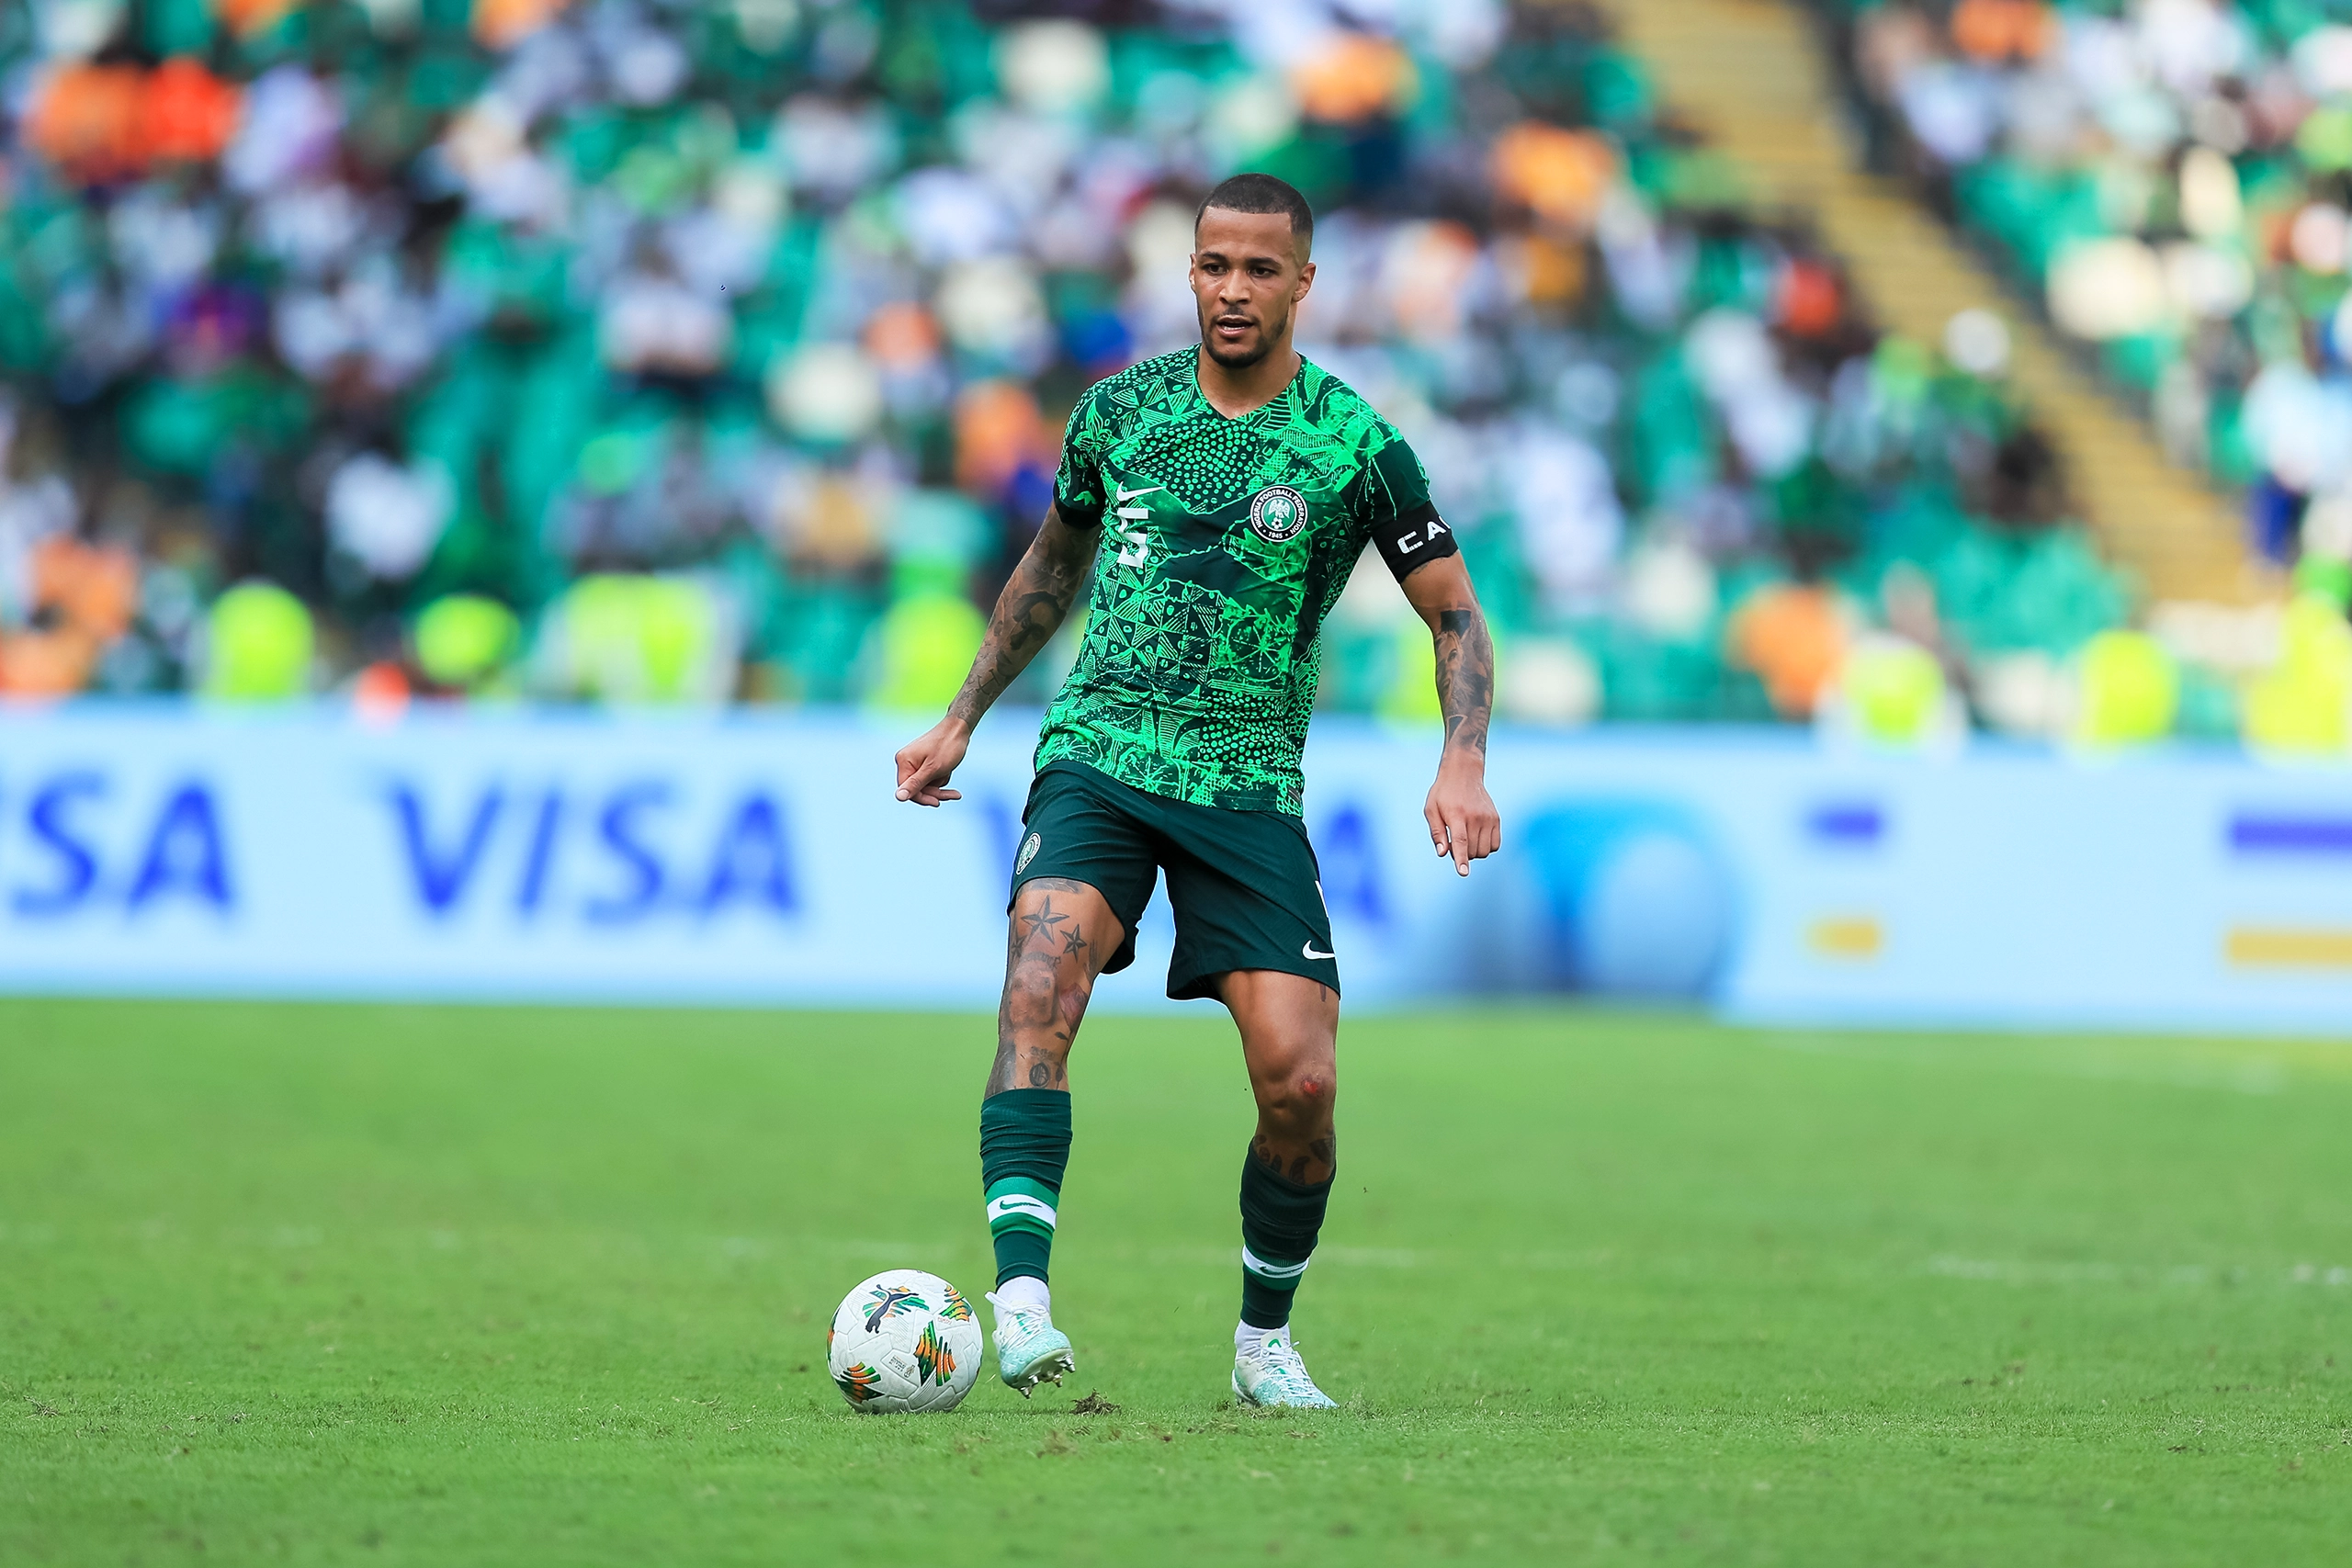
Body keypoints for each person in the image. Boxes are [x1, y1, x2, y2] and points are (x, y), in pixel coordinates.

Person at [892, 172, 1500, 1409]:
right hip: (1103, 757)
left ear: (1303, 282)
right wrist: (963, 715)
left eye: (1259, 269)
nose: (1233, 289)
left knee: (1303, 1083)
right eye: (1213, 264)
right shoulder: (1120, 414)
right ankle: (1019, 1300)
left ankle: (1261, 1342)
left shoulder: (1355, 447)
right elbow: (1049, 565)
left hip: (1246, 790)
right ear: (1191, 271)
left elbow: (1454, 615)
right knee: (1037, 979)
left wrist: (1463, 758)